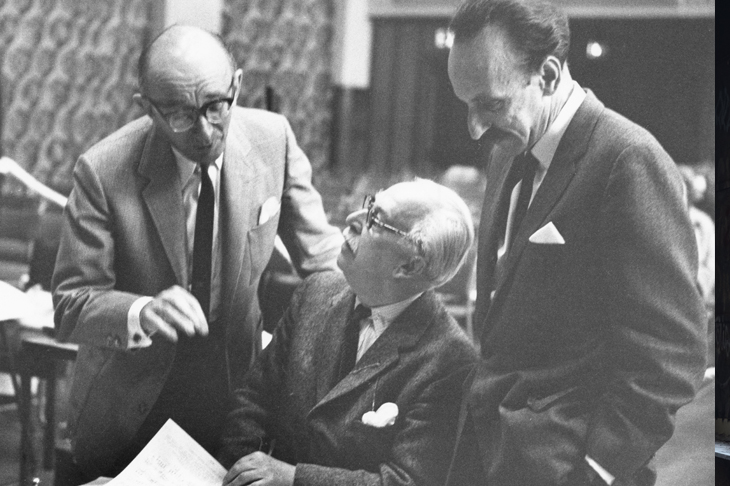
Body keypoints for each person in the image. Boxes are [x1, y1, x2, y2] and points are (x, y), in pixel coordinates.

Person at [51, 25, 343, 478]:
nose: (205, 132)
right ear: (147, 108)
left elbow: (322, 258)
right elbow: (71, 303)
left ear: (237, 86)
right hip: (132, 404)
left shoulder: (274, 140)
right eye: (180, 115)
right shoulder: (103, 171)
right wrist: (141, 311)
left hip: (238, 394)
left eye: (216, 106)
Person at [444, 1, 706, 485]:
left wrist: (596, 471)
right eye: (466, 105)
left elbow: (671, 358)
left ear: (547, 74)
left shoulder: (628, 160)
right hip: (493, 455)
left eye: (491, 104)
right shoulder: (508, 151)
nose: (475, 129)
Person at [217, 179, 479, 486]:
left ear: (409, 267)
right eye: (370, 204)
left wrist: (294, 479)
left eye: (375, 220)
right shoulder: (315, 293)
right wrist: (238, 470)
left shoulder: (449, 359)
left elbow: (405, 480)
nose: (353, 218)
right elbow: (253, 401)